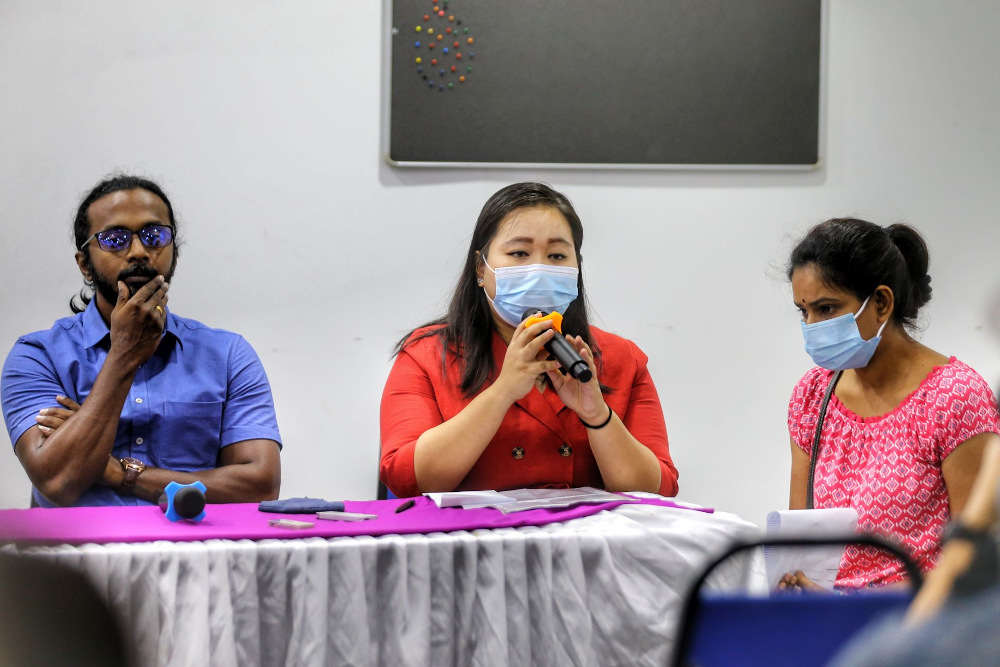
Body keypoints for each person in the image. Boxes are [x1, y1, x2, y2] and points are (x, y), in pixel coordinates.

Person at [380, 182, 677, 497]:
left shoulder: (620, 358)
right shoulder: (426, 354)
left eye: (557, 255)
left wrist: (597, 415)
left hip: (587, 543)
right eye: (519, 252)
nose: (539, 268)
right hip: (473, 542)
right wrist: (503, 392)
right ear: (481, 267)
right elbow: (405, 480)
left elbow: (657, 490)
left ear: (576, 267)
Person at [1, 175, 282, 507]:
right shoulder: (38, 355)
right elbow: (59, 481)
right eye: (115, 239)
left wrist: (117, 471)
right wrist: (124, 352)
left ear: (174, 250)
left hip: (192, 553)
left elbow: (260, 485)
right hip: (74, 556)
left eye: (154, 236)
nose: (138, 252)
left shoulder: (228, 355)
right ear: (85, 265)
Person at [782, 217, 1000, 590]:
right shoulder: (813, 396)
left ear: (881, 302)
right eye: (804, 312)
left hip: (918, 625)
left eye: (827, 309)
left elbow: (974, 563)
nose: (812, 326)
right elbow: (802, 540)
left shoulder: (954, 398)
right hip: (823, 619)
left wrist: (853, 605)